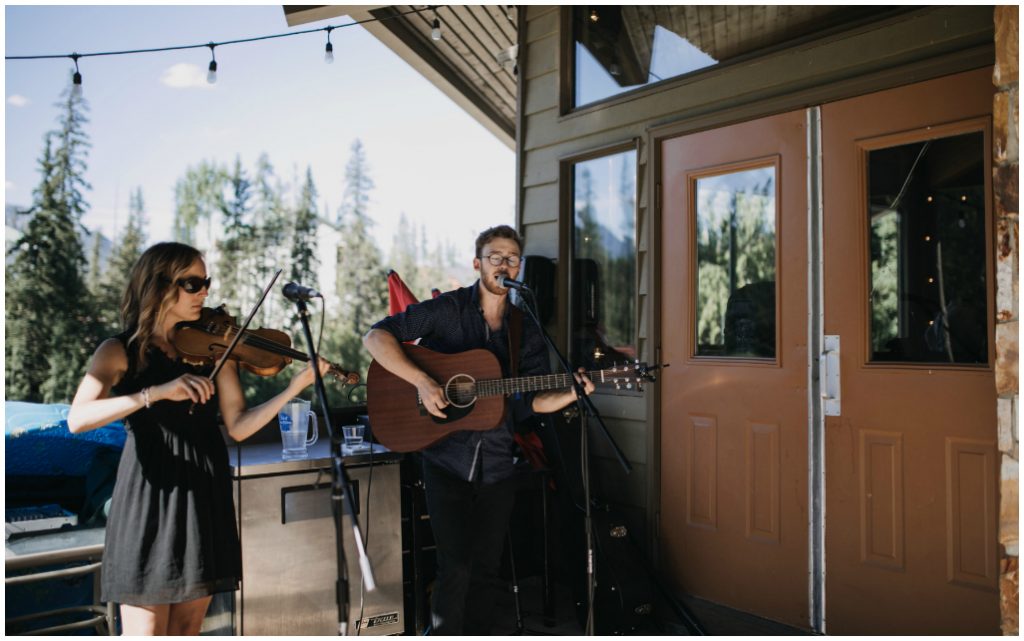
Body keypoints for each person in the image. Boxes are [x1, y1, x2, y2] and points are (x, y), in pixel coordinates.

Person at [68, 242, 329, 635]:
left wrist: (293, 389)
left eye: (206, 282)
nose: (204, 292)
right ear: (158, 285)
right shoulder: (120, 350)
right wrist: (153, 394)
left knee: (188, 632)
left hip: (204, 495)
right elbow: (78, 419)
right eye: (193, 283)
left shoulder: (212, 350)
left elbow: (238, 425)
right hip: (150, 500)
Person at [364, 224, 594, 635]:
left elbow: (532, 400)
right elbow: (376, 336)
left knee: (488, 570)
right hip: (445, 459)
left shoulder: (526, 328)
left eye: (512, 258)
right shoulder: (448, 310)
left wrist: (571, 394)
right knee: (456, 566)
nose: (504, 265)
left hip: (498, 465)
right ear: (478, 263)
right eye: (496, 257)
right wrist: (422, 381)